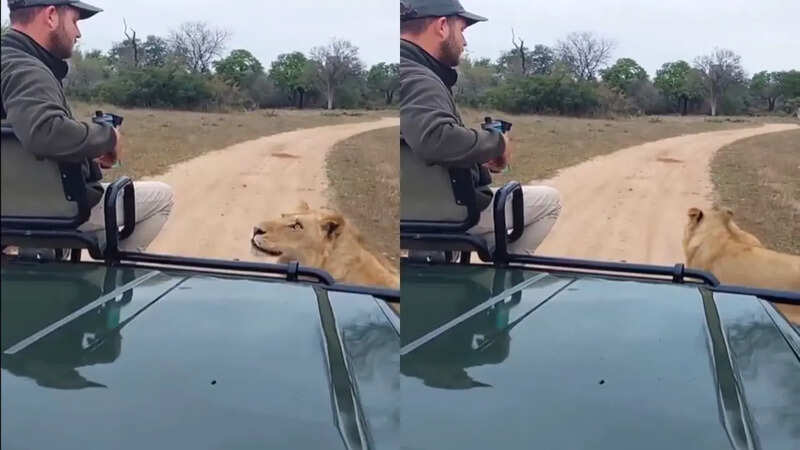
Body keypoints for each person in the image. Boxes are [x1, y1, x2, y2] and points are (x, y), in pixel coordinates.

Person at [1, 0, 173, 253]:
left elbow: (20, 148)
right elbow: (45, 132)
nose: (78, 33)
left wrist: (87, 158)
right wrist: (109, 137)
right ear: (51, 16)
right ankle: (111, 280)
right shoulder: (27, 69)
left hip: (14, 201)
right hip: (43, 211)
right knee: (162, 197)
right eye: (75, 21)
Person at [399, 0, 561, 255]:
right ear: (442, 27)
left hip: (414, 209)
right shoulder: (419, 78)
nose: (464, 42)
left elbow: (418, 145)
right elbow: (435, 138)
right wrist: (497, 142)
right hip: (447, 213)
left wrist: (477, 159)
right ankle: (504, 276)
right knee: (549, 201)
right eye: (461, 30)